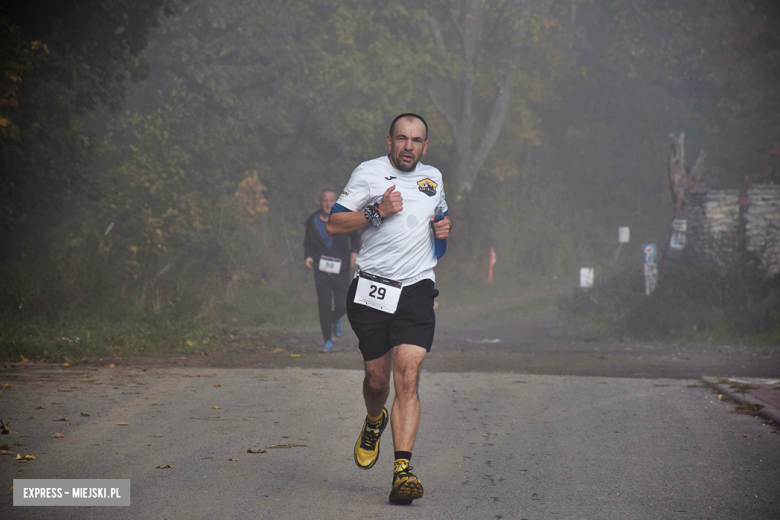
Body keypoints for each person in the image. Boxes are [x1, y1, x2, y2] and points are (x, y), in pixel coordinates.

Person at [326, 113, 451, 505]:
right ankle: (374, 420)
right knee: (378, 383)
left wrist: (443, 233)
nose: (408, 146)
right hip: (372, 291)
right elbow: (333, 224)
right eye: (402, 138)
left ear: (425, 146)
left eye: (416, 140)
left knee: (407, 376)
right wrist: (375, 211)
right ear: (389, 141)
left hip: (416, 290)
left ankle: (402, 472)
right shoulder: (368, 173)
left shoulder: (435, 178)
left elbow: (439, 229)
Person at [304, 189, 360, 352]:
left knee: (343, 303)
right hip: (321, 269)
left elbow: (355, 236)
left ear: (335, 203)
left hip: (341, 268)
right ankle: (327, 340)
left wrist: (353, 252)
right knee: (324, 304)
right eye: (324, 200)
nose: (328, 203)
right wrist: (308, 256)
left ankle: (336, 318)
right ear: (319, 202)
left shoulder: (343, 219)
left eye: (331, 201)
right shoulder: (312, 222)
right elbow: (308, 243)